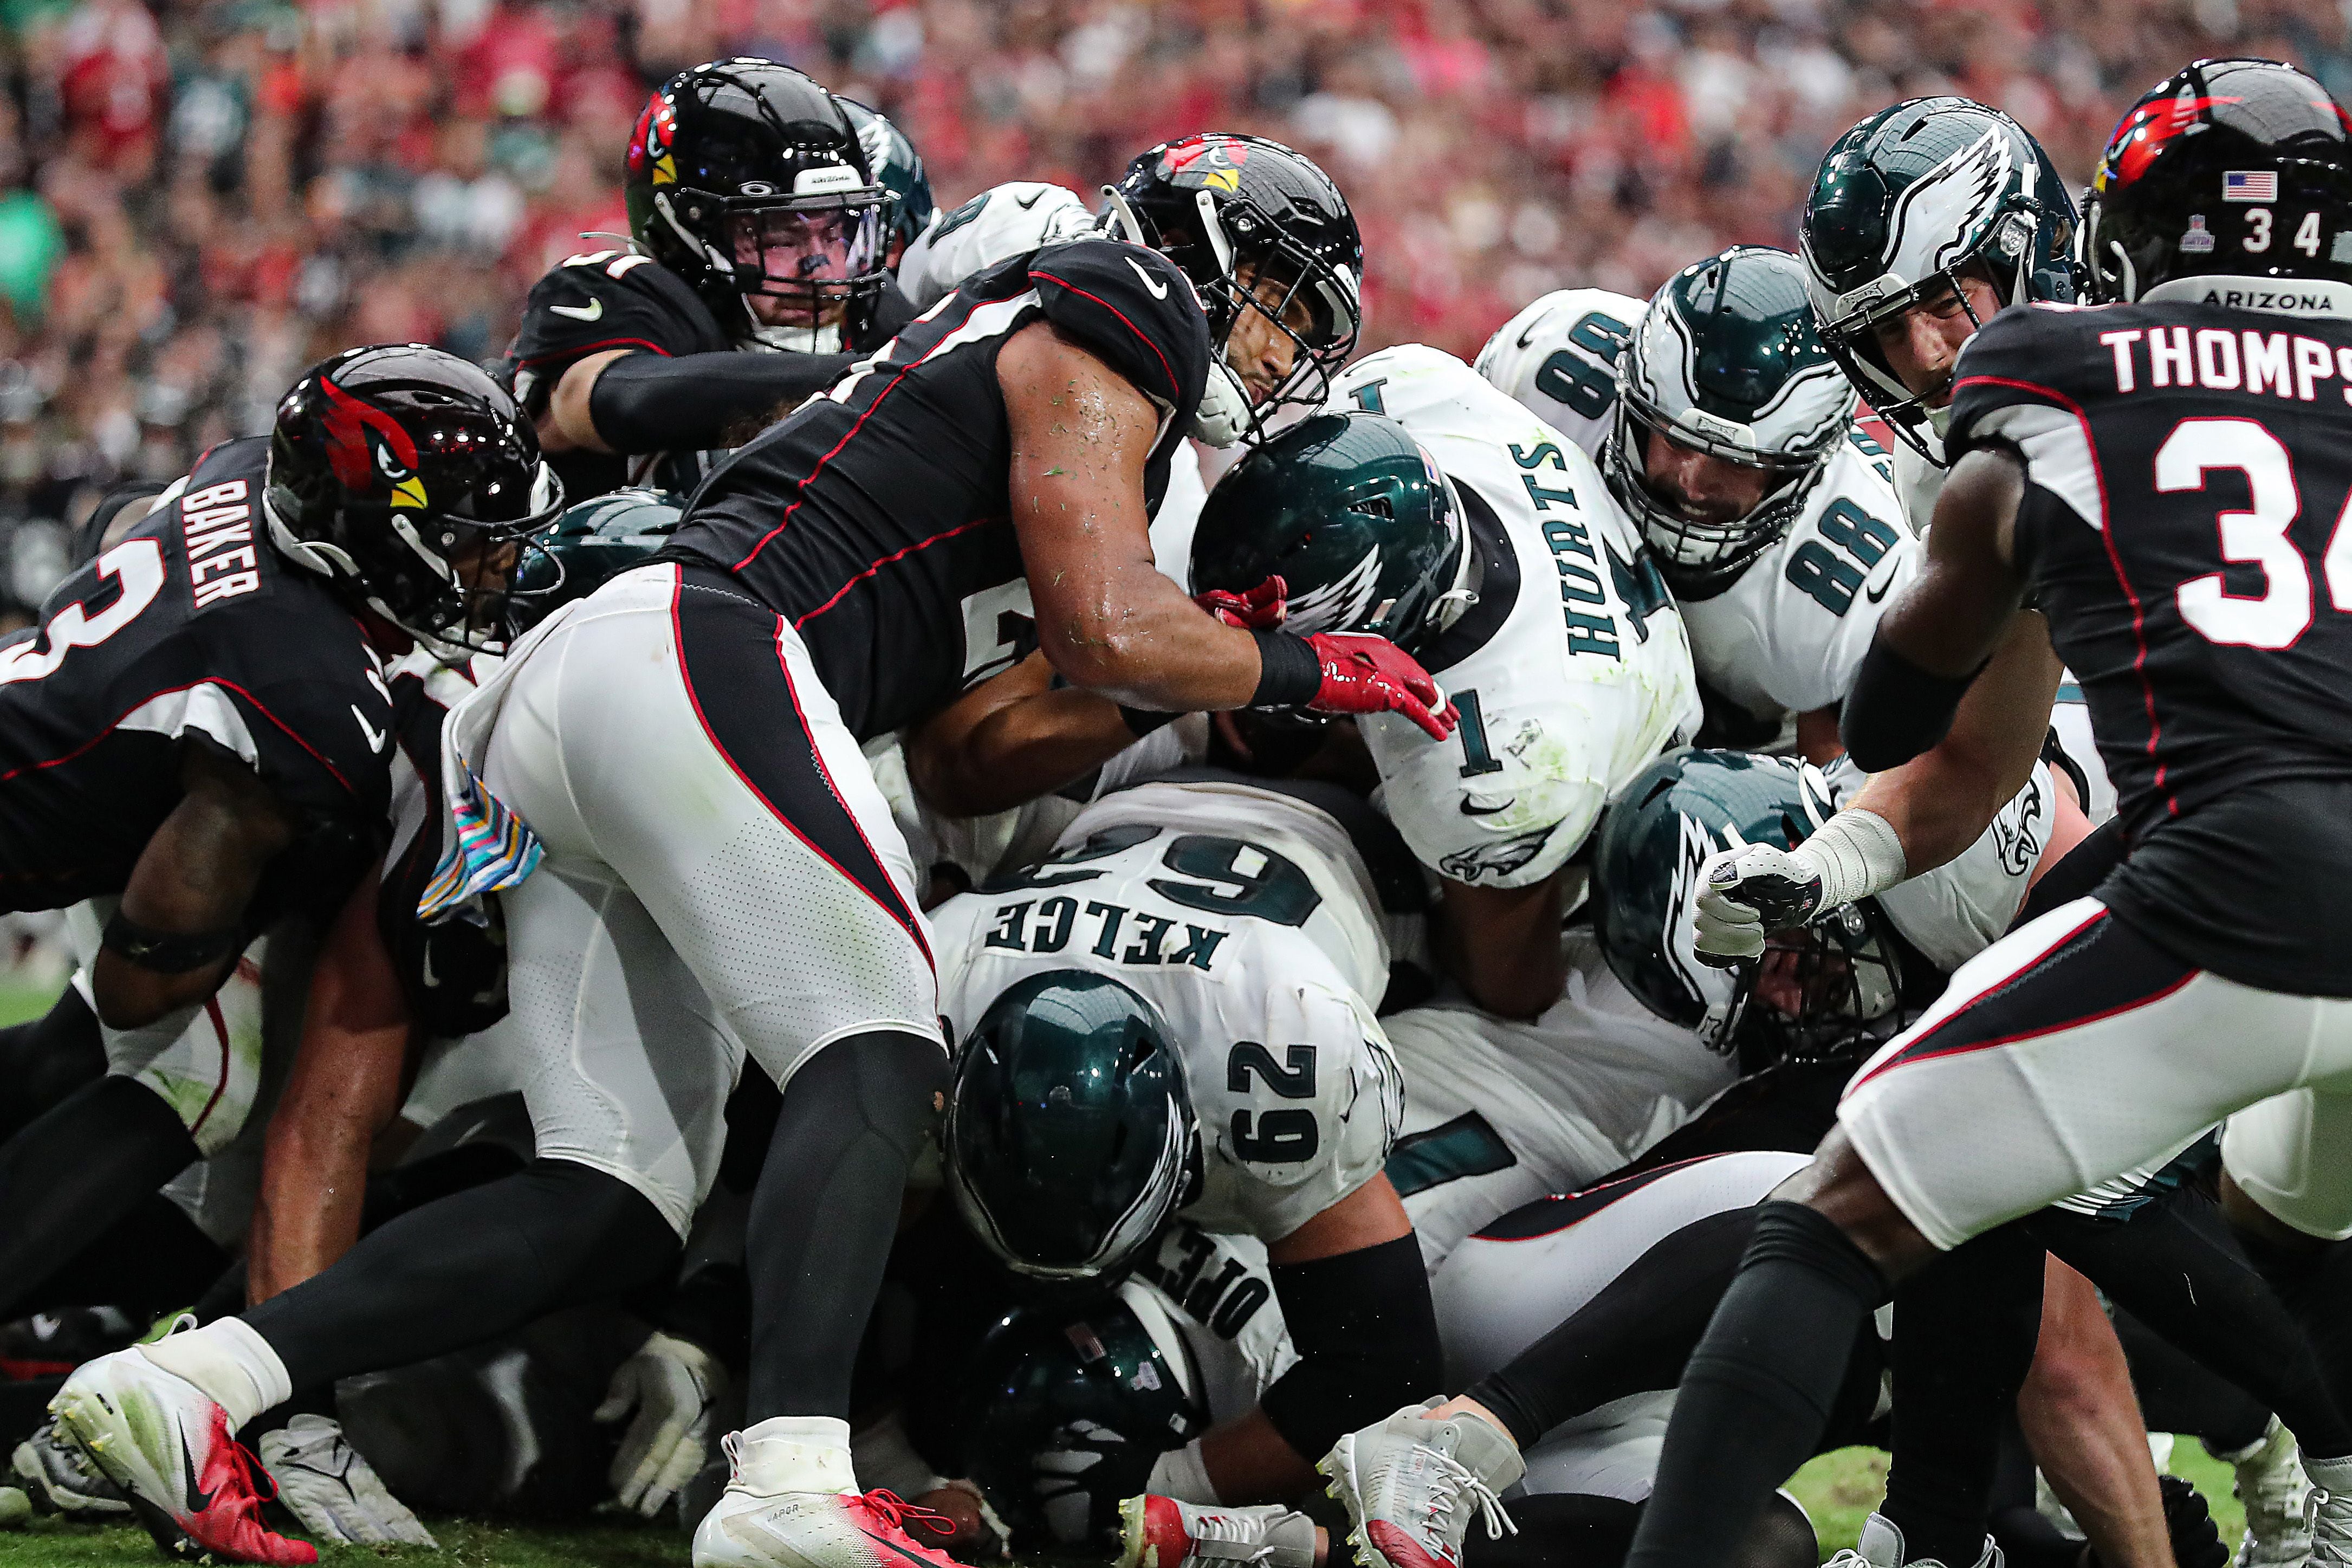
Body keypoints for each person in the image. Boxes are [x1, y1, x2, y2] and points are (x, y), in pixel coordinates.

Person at [1623, 57, 2352, 1568]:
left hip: (2223, 899)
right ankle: (1968, 1521)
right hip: (2231, 908)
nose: (1926, 349)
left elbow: (1905, 716)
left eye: (1941, 302)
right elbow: (1963, 771)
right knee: (2249, 1201)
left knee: (1841, 1202)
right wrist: (1828, 860)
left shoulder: (2050, 378)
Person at [935, 773, 1430, 1508]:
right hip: (1128, 808)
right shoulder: (936, 978)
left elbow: (1385, 1369)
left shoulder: (1280, 1036)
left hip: (1337, 837)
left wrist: (1157, 1489)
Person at [1190, 362, 1700, 1018]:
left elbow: (1511, 984)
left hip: (1611, 798)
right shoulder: (1416, 391)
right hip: (1598, 658)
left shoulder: (1496, 768)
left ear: (1381, 621)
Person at [1479, 248, 1915, 761]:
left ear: (1804, 468)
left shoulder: (1867, 570)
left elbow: (1839, 806)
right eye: (1673, 438)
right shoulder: (1546, 362)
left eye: (1735, 463)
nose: (1692, 480)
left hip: (1731, 766)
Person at [504, 60, 918, 503]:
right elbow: (609, 402)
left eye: (837, 232)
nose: (819, 266)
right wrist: (873, 379)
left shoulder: (871, 307)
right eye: (779, 236)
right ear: (686, 230)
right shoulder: (624, 292)